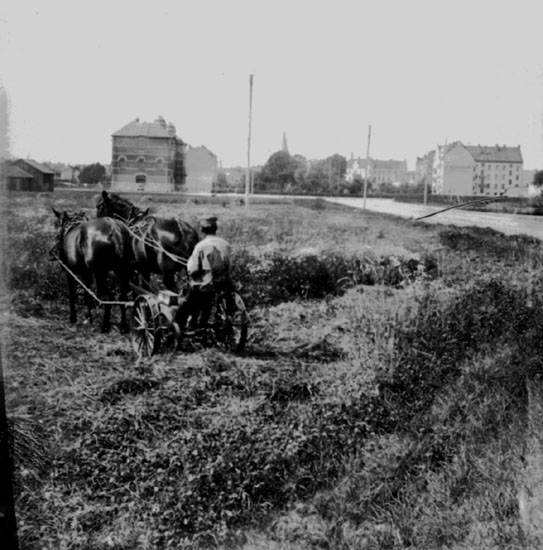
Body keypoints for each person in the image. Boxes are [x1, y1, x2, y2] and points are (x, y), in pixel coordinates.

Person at [174, 216, 235, 335]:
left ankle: (181, 324)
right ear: (215, 229)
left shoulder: (201, 246)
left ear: (202, 230)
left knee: (188, 299)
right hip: (223, 283)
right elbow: (230, 266)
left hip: (206, 284)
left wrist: (192, 273)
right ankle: (204, 321)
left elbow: (192, 269)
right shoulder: (225, 244)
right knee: (208, 296)